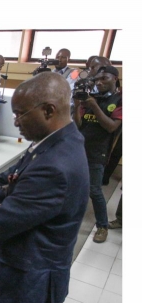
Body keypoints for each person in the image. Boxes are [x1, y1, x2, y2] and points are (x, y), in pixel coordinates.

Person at [0, 72, 90, 303]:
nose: (15, 121)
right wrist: (4, 188)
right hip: (29, 278)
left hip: (25, 290)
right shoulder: (60, 141)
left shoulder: (55, 167)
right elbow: (11, 175)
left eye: (20, 114)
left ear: (48, 110)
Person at [73, 65, 122, 243]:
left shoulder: (120, 100)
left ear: (115, 78)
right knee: (74, 187)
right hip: (79, 149)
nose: (100, 82)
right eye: (97, 80)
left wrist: (94, 105)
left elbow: (111, 127)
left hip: (98, 152)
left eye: (104, 79)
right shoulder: (91, 97)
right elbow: (78, 124)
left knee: (94, 190)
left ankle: (102, 226)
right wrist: (78, 105)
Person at [53, 48, 79, 113]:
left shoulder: (74, 72)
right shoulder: (51, 72)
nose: (59, 60)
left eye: (63, 57)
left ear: (68, 59)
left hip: (66, 106)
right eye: (57, 57)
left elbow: (68, 88)